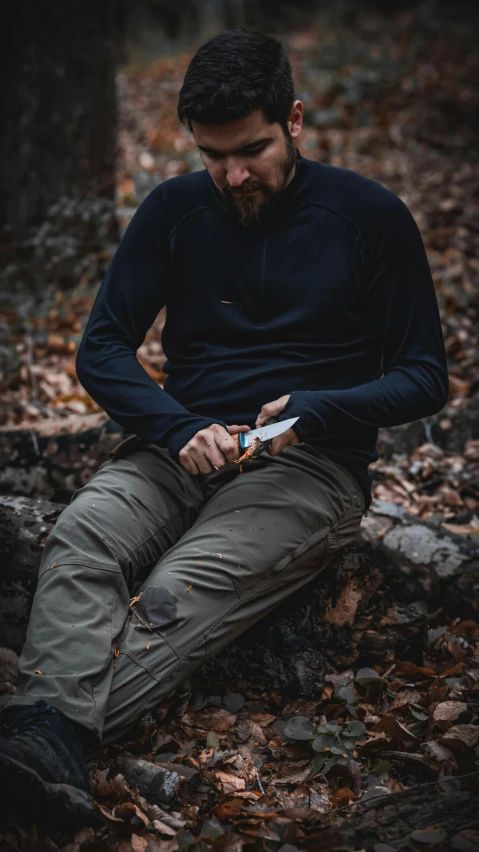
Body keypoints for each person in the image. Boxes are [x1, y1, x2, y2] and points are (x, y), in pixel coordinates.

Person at [0, 29, 448, 821]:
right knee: (83, 536)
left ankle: (47, 736)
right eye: (213, 155)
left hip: (309, 467)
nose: (233, 175)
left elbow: (423, 377)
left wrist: (320, 409)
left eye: (251, 150)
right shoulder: (175, 210)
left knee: (175, 596)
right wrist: (173, 427)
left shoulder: (370, 218)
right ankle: (47, 739)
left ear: (296, 121)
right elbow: (101, 348)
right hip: (177, 448)